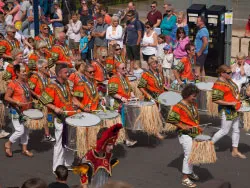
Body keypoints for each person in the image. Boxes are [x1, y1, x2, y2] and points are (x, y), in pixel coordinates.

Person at [39, 64, 80, 171]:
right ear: (59, 74)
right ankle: (57, 167)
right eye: (66, 72)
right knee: (60, 143)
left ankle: (68, 163)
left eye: (68, 72)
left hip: (70, 116)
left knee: (70, 141)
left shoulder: (66, 83)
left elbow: (69, 98)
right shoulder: (52, 86)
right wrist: (54, 107)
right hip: (59, 118)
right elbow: (43, 100)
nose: (68, 74)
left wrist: (75, 105)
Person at [167, 84, 201, 188]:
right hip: (184, 134)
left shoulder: (193, 104)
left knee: (192, 153)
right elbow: (171, 119)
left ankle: (190, 172)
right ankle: (185, 178)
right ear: (187, 95)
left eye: (195, 96)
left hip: (194, 132)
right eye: (193, 96)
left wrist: (199, 127)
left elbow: (195, 118)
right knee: (189, 154)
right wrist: (182, 126)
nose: (195, 98)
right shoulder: (178, 106)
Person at [211, 65, 246, 159]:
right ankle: (208, 145)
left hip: (235, 108)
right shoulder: (218, 84)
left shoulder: (228, 80)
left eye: (231, 72)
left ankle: (235, 150)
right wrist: (230, 103)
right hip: (226, 110)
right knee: (224, 131)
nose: (231, 74)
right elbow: (215, 99)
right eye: (228, 73)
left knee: (236, 129)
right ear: (222, 73)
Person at [77, 124, 123, 188]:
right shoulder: (89, 159)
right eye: (109, 145)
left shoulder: (107, 155)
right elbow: (84, 184)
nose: (112, 148)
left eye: (112, 145)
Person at [4, 64, 33, 157]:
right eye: (23, 71)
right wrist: (16, 102)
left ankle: (24, 149)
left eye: (25, 71)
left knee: (26, 130)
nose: (25, 73)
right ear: (17, 73)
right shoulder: (13, 84)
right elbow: (6, 97)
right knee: (20, 130)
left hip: (26, 111)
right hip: (16, 110)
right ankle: (8, 143)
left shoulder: (25, 82)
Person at [108, 62, 137, 146]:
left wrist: (133, 96)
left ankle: (125, 138)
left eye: (125, 67)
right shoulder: (114, 78)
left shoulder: (125, 77)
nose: (125, 69)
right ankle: (126, 139)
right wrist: (121, 98)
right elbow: (112, 92)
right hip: (118, 104)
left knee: (126, 121)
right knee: (123, 122)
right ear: (117, 70)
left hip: (127, 102)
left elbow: (130, 89)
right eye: (123, 68)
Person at [28, 59, 55, 142]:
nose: (48, 69)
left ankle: (46, 134)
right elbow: (29, 88)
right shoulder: (35, 77)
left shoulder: (46, 76)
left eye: (48, 67)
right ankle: (47, 135)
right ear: (40, 68)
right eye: (46, 67)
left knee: (46, 117)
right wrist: (36, 95)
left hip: (46, 99)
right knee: (44, 117)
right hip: (38, 101)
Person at [195, 16, 209, 81]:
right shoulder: (201, 30)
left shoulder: (203, 30)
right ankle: (203, 83)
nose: (196, 22)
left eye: (198, 21)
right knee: (202, 68)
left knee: (197, 69)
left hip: (201, 53)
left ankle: (198, 84)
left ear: (202, 22)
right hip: (201, 53)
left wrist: (200, 52)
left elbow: (205, 42)